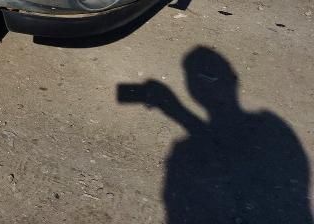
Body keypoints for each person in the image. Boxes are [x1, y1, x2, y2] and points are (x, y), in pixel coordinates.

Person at [119, 46, 312, 223]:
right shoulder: (274, 127)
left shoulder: (268, 128)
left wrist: (175, 109)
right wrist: (175, 110)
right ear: (234, 80)